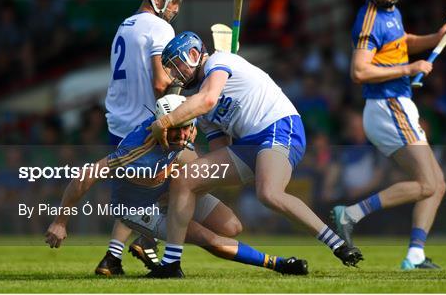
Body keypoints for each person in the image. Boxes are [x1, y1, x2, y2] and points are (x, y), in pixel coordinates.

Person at [146, 31, 363, 278]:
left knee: (269, 193)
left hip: (279, 125)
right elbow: (220, 151)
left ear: (194, 55)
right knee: (185, 179)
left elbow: (207, 100)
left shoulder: (218, 62)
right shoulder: (202, 110)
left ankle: (337, 243)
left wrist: (166, 122)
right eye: (171, 70)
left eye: (177, 66)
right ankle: (171, 264)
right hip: (248, 145)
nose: (175, 75)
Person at [45, 95, 308, 277]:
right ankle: (278, 264)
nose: (183, 135)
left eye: (187, 129)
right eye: (177, 130)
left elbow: (195, 166)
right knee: (210, 241)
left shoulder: (183, 132)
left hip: (166, 191)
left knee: (232, 226)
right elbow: (85, 176)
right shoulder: (137, 150)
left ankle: (147, 239)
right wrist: (60, 222)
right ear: (162, 127)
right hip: (137, 208)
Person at [330, 0, 446, 270]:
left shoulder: (392, 13)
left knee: (437, 183)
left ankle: (415, 255)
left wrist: (438, 37)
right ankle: (350, 215)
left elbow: (404, 42)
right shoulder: (370, 18)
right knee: (428, 183)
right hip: (387, 105)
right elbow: (359, 71)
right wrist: (410, 68)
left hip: (398, 104)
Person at [100, 0, 184, 275]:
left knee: (144, 194)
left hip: (118, 121)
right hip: (145, 124)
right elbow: (161, 82)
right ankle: (146, 243)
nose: (176, 7)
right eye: (174, 0)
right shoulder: (160, 28)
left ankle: (119, 254)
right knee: (189, 179)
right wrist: (189, 76)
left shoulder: (125, 25)